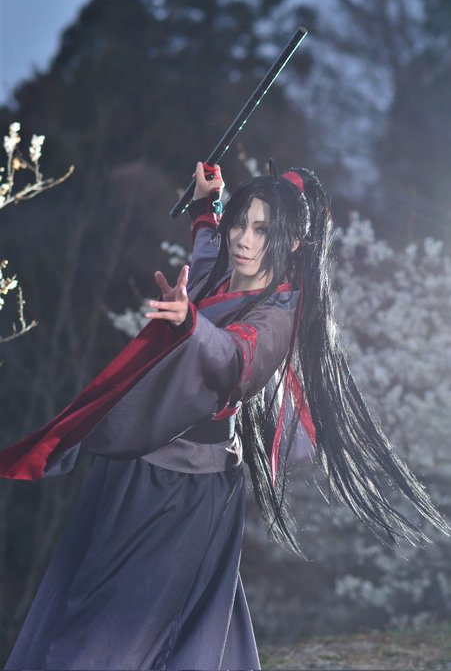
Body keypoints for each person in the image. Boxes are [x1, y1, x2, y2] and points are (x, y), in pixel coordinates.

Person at [0, 161, 448, 670]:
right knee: (120, 603)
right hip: (133, 466)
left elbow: (237, 360)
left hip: (184, 487)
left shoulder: (279, 314)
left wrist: (191, 323)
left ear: (291, 243)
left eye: (262, 230)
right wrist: (205, 203)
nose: (243, 239)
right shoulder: (218, 270)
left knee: (120, 621)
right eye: (240, 223)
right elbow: (207, 241)